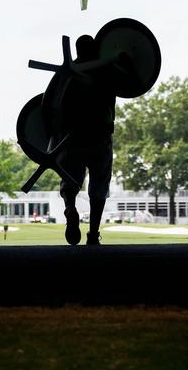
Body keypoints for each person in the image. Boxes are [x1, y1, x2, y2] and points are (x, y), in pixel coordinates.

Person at [55, 34, 126, 246]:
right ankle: (93, 234)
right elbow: (133, 82)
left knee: (69, 180)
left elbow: (52, 104)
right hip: (100, 138)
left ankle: (70, 208)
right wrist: (123, 59)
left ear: (77, 50)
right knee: (99, 186)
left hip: (73, 137)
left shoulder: (67, 72)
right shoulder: (107, 71)